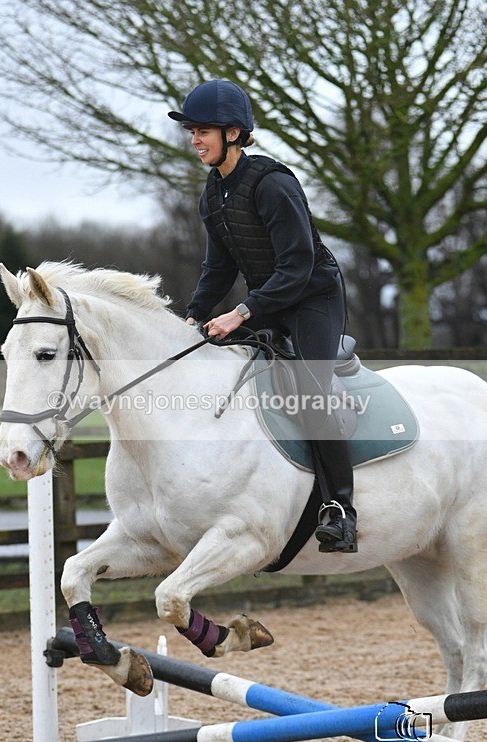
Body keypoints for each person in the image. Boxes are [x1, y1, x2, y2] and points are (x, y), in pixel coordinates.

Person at [168, 79, 357, 554]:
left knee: (311, 390)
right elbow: (218, 268)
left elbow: (298, 268)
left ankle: (341, 510)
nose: (194, 138)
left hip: (313, 296)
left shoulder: (273, 184)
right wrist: (191, 317)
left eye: (202, 129)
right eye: (192, 130)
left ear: (233, 133)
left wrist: (241, 312)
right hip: (270, 299)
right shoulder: (213, 195)